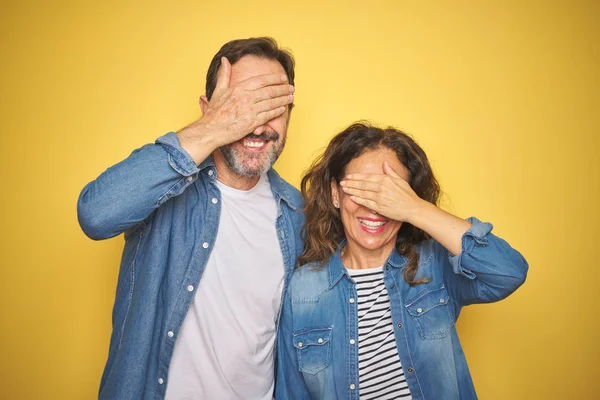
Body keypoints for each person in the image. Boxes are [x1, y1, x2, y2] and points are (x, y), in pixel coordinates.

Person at [77, 37, 304, 400]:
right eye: (243, 102)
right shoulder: (160, 185)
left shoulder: (298, 214)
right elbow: (95, 214)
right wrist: (215, 127)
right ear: (208, 108)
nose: (257, 122)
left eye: (273, 106)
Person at [275, 122, 528, 399]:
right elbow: (292, 392)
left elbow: (509, 272)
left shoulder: (434, 265)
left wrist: (415, 208)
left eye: (390, 193)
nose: (375, 206)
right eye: (363, 189)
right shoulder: (303, 289)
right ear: (336, 193)